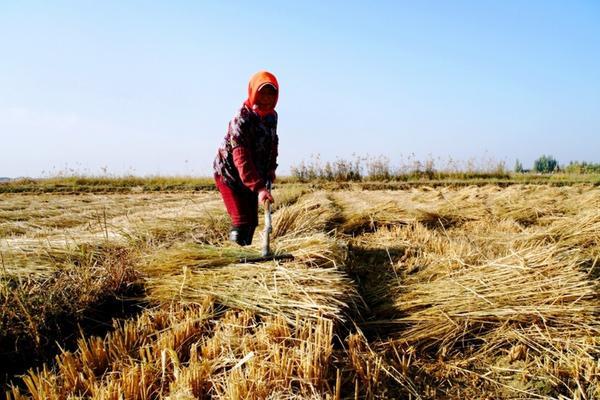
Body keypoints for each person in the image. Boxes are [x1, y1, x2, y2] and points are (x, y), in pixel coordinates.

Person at [213, 71, 279, 246]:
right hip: (230, 174)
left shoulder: (272, 116)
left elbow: (273, 142)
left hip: (252, 174)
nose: (266, 98)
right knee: (242, 219)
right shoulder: (242, 118)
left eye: (270, 93)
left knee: (252, 221)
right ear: (253, 93)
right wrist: (259, 188)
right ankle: (237, 260)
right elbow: (241, 157)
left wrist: (271, 168)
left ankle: (246, 258)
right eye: (262, 93)